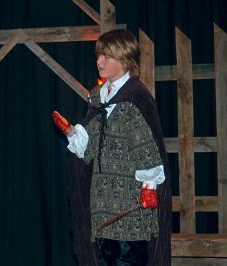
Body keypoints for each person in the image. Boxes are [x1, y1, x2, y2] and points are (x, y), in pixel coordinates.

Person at [55, 29, 171, 265]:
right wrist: (72, 133)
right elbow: (89, 149)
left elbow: (148, 150)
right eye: (99, 56)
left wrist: (149, 187)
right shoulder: (98, 97)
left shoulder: (134, 98)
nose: (99, 61)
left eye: (106, 56)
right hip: (102, 206)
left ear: (124, 58)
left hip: (129, 209)